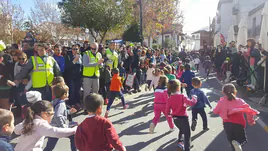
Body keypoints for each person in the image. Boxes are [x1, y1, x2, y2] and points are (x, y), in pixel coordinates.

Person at [213, 84, 259, 151]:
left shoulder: (221, 102)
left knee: (232, 142)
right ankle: (239, 143)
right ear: (235, 92)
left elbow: (215, 111)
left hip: (227, 124)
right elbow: (248, 110)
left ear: (223, 92)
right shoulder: (240, 101)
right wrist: (251, 121)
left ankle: (236, 146)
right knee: (242, 140)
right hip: (238, 124)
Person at [43, 84, 77, 151]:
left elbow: (60, 113)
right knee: (73, 136)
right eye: (67, 92)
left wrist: (69, 111)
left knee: (50, 146)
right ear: (64, 94)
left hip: (53, 127)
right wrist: (63, 127)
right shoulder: (61, 104)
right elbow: (58, 116)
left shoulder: (54, 101)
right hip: (58, 128)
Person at [166, 79, 197, 151]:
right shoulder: (182, 96)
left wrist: (170, 115)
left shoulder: (169, 99)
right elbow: (191, 103)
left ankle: (180, 143)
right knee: (187, 135)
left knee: (181, 130)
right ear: (178, 88)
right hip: (183, 118)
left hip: (175, 119)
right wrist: (194, 98)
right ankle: (187, 148)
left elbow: (167, 111)